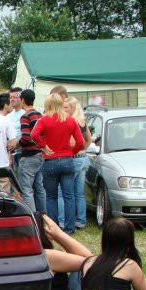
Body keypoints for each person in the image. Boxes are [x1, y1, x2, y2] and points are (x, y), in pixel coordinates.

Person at [31, 93, 84, 234]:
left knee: (51, 196)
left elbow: (34, 134)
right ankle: (70, 228)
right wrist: (71, 153)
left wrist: (43, 146)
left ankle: (54, 229)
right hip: (67, 160)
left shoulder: (44, 120)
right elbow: (80, 142)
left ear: (48, 104)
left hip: (50, 161)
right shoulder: (70, 120)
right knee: (69, 196)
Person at [36, 213, 92, 290]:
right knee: (92, 273)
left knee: (79, 271)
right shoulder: (47, 255)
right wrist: (58, 234)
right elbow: (91, 262)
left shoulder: (34, 255)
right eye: (49, 225)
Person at [58, 97, 92, 229]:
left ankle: (63, 221)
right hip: (83, 158)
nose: (63, 109)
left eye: (65, 107)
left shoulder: (71, 121)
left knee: (64, 192)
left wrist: (70, 153)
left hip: (74, 158)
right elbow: (89, 140)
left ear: (72, 108)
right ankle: (81, 220)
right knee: (79, 192)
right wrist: (83, 150)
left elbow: (73, 143)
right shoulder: (82, 121)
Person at [17, 89, 45, 213]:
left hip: (29, 156)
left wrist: (17, 144)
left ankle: (32, 217)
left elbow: (26, 137)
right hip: (40, 155)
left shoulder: (25, 116)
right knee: (39, 188)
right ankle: (44, 216)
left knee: (26, 189)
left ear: (22, 100)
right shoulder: (40, 115)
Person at [7, 87, 24, 174]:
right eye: (10, 97)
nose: (12, 99)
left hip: (22, 153)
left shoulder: (25, 114)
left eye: (14, 97)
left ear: (21, 98)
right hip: (11, 153)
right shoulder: (8, 116)